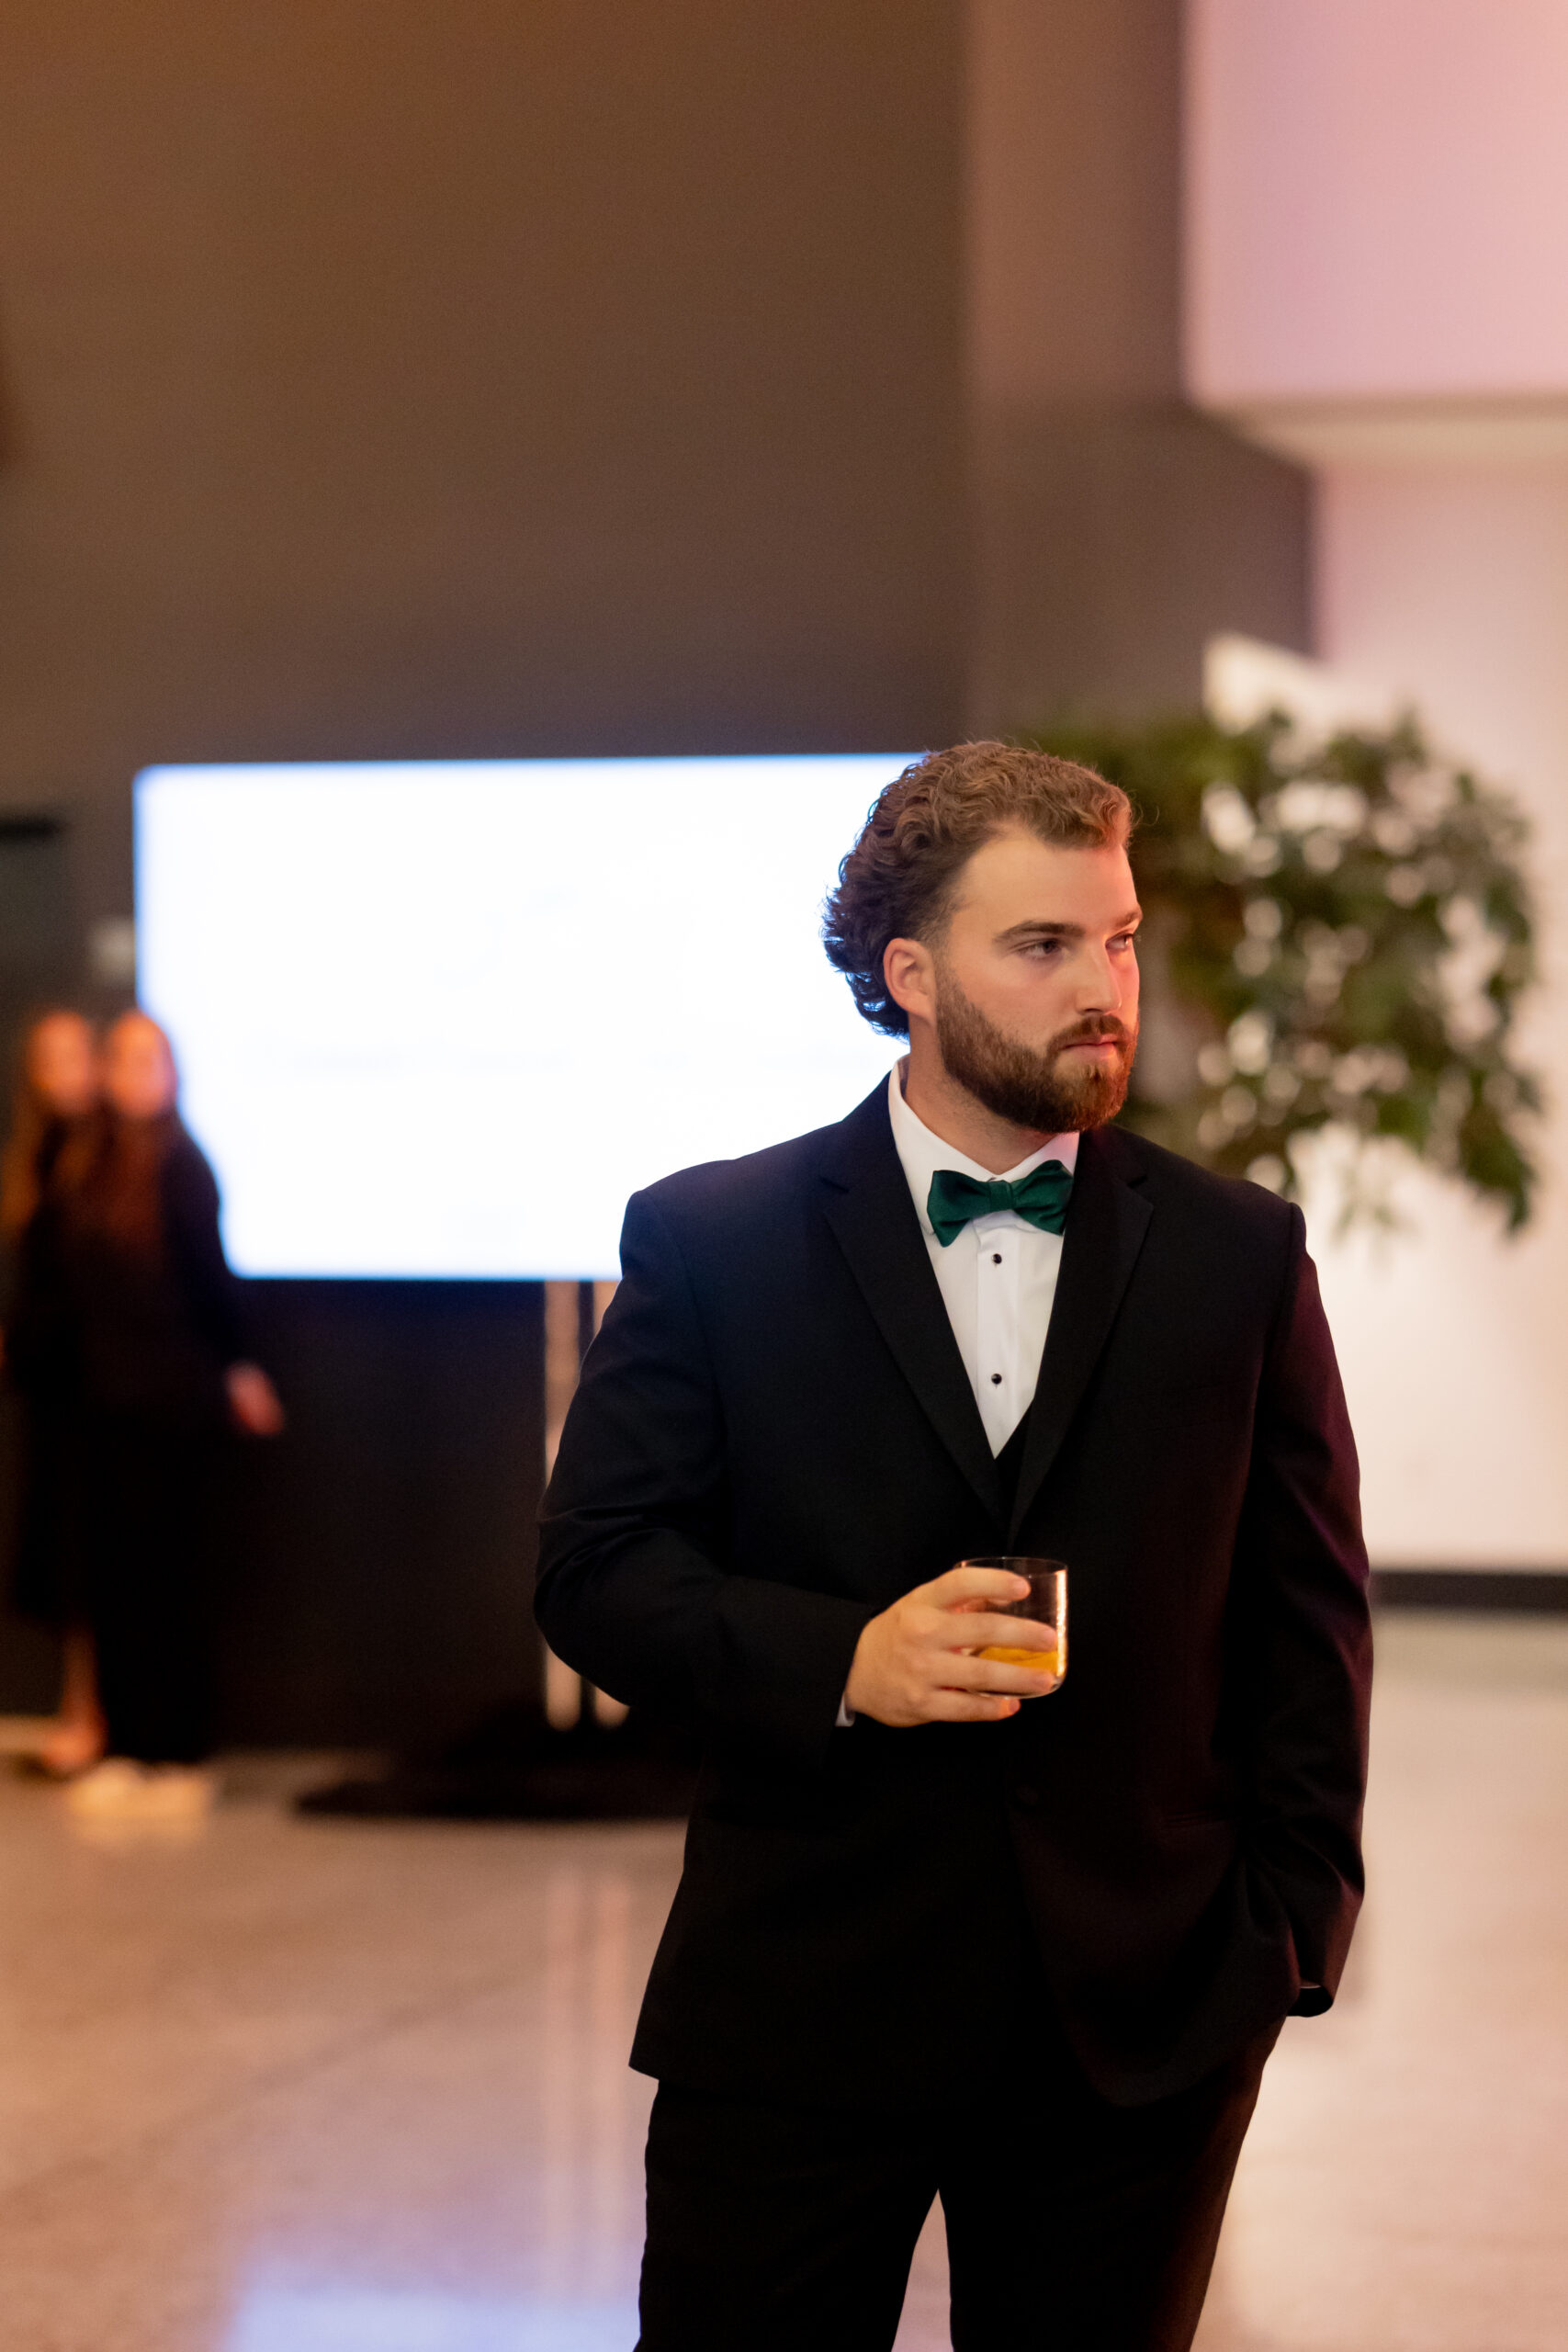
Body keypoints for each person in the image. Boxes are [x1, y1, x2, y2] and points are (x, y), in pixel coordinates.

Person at [536, 744, 1372, 2352]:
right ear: (909, 974)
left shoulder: (1237, 1254)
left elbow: (1307, 1618)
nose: (1102, 989)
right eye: (1041, 945)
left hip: (1141, 2022)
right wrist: (841, 1660)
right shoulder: (712, 1241)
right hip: (798, 2000)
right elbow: (596, 1572)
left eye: (1116, 939)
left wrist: (1282, 1940)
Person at [53, 1011, 284, 1822]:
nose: (134, 1072)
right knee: (115, 1584)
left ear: (173, 1073)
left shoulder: (185, 1167)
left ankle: (180, 1751)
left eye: (149, 1059)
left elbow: (212, 1283)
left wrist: (240, 1367)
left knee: (172, 1583)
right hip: (105, 1411)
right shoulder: (86, 1164)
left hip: (174, 1411)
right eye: (122, 1058)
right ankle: (126, 1746)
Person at [1, 1008, 107, 1775]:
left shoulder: (109, 1159)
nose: (65, 1072)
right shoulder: (38, 1156)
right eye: (50, 1058)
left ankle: (94, 1715)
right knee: (66, 1563)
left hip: (96, 1394)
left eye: (76, 1055)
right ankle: (80, 1711)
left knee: (91, 1561)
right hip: (52, 1393)